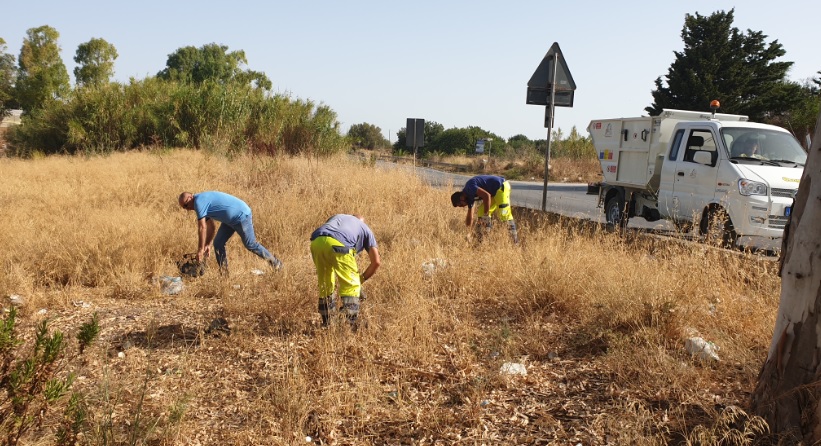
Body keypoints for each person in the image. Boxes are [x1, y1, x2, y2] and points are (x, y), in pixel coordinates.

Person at [178, 191, 283, 273]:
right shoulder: (201, 203)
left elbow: (202, 228)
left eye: (186, 205)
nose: (187, 209)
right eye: (184, 208)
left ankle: (276, 264)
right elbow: (211, 226)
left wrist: (200, 250)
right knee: (218, 243)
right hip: (229, 221)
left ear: (191, 197)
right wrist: (207, 244)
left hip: (241, 216)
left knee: (250, 244)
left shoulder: (198, 201)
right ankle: (224, 275)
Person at [310, 214, 381, 328]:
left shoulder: (338, 217)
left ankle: (328, 323)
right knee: (350, 287)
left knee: (325, 284)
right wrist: (360, 280)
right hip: (340, 245)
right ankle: (347, 326)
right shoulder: (365, 229)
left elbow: (328, 233)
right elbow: (376, 262)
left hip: (316, 242)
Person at [451, 174, 518, 243]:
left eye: (461, 205)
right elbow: (470, 215)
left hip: (501, 187)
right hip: (493, 193)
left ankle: (515, 242)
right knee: (481, 211)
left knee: (504, 214)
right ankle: (483, 241)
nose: (463, 206)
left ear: (461, 198)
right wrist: (468, 232)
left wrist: (486, 215)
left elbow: (487, 196)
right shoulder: (468, 197)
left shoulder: (470, 188)